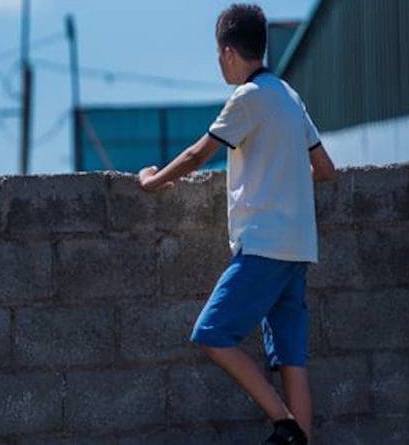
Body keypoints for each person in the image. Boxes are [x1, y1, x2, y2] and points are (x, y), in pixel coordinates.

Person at [138, 4, 336, 444]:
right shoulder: (288, 94)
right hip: (299, 247)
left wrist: (152, 182)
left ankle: (284, 425)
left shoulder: (247, 98)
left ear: (228, 52)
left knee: (211, 331)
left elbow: (198, 155)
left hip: (263, 245)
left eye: (217, 55)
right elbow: (325, 169)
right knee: (291, 359)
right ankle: (298, 437)